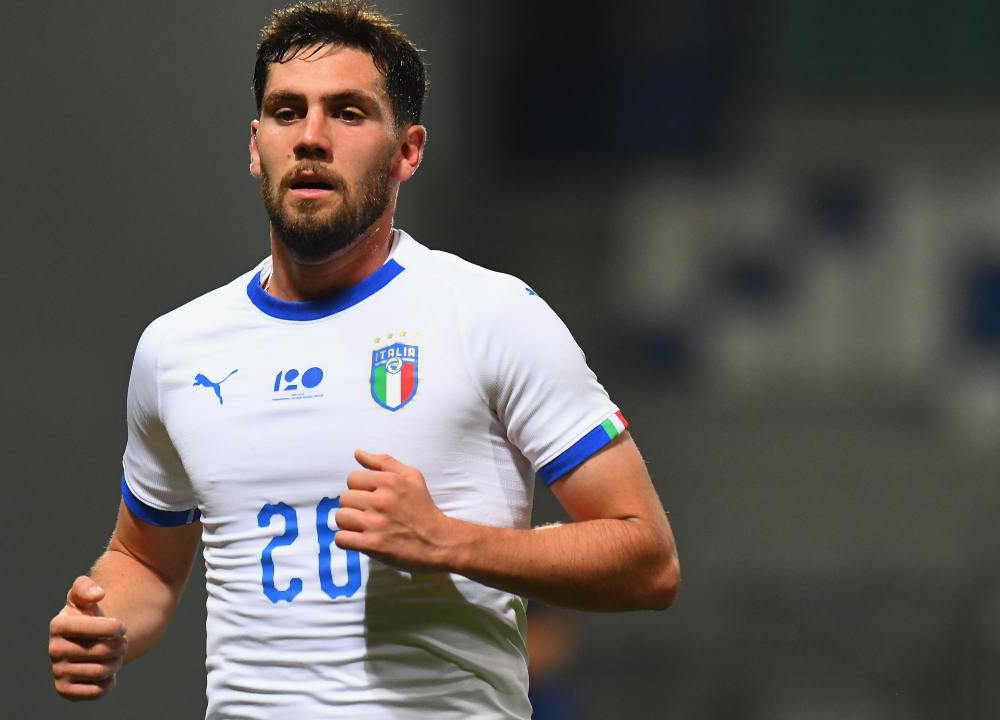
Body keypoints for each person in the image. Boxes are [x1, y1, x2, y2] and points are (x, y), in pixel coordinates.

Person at [47, 1, 680, 717]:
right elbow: (145, 562)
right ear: (256, 145)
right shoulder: (176, 348)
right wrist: (107, 625)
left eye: (347, 113)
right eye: (287, 112)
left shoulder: (490, 316)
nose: (311, 138)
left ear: (407, 151)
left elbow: (648, 561)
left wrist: (448, 541)